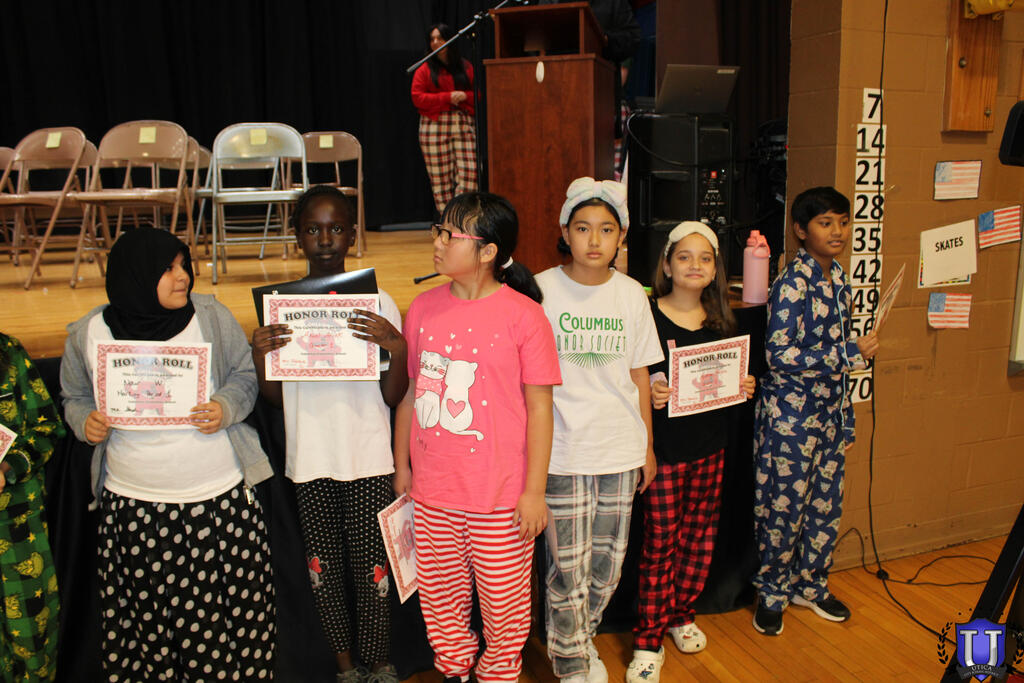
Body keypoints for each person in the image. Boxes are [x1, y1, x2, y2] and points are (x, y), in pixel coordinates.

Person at [60, 227, 275, 680]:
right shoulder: (88, 333)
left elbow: (244, 375)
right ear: (136, 275)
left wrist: (225, 407)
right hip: (134, 509)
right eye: (168, 268)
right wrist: (84, 421)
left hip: (218, 503)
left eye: (184, 265)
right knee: (149, 634)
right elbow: (74, 396)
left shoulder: (210, 316)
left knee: (229, 631)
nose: (183, 277)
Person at [392, 192, 560, 682]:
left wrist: (533, 492)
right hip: (433, 493)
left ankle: (497, 675)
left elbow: (540, 409)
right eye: (438, 231)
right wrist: (403, 467)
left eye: (451, 235)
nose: (438, 242)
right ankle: (455, 671)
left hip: (501, 498)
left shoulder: (524, 316)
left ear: (488, 251)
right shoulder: (422, 308)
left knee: (506, 611)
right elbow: (411, 395)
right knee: (441, 603)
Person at [251, 186, 406, 683]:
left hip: (367, 457)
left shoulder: (379, 301)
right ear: (297, 236)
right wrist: (261, 357)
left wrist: (398, 348)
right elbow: (276, 400)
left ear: (352, 234)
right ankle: (344, 665)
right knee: (323, 569)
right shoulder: (282, 307)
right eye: (313, 229)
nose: (325, 239)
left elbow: (393, 395)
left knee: (372, 567)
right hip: (311, 458)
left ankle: (378, 661)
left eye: (336, 228)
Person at [535, 177, 662, 683]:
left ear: (621, 236)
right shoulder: (540, 290)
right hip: (562, 450)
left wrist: (646, 447)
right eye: (583, 228)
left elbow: (639, 374)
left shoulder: (631, 295)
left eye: (606, 230)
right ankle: (569, 660)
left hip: (619, 449)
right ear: (565, 232)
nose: (594, 240)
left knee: (608, 565)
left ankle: (584, 637)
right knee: (568, 566)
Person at [625, 223, 755, 682]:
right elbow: (632, 377)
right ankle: (648, 638)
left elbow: (726, 382)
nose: (694, 265)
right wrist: (652, 391)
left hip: (710, 450)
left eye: (705, 258)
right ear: (666, 265)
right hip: (666, 453)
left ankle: (681, 614)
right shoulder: (648, 317)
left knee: (699, 540)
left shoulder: (721, 322)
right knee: (660, 545)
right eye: (684, 256)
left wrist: (743, 385)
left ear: (716, 269)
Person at [751, 187, 879, 636]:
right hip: (790, 419)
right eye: (826, 223)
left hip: (830, 416)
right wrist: (848, 352)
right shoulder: (793, 282)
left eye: (843, 222)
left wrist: (847, 418)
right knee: (783, 509)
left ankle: (811, 585)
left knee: (825, 507)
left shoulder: (839, 277)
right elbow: (779, 355)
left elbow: (838, 363)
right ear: (801, 230)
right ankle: (772, 594)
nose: (837, 231)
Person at [0, 333, 65, 682]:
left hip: (17, 528)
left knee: (32, 643)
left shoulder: (8, 353)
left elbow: (47, 428)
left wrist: (9, 467)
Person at [411, 23, 478, 217]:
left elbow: (480, 94)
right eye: (432, 39)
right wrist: (446, 97)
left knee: (470, 174)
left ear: (450, 40)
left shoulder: (465, 66)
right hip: (434, 125)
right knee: (440, 180)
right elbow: (417, 97)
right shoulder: (424, 69)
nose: (435, 42)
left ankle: (460, 217)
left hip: (461, 122)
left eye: (440, 38)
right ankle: (447, 221)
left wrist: (465, 96)